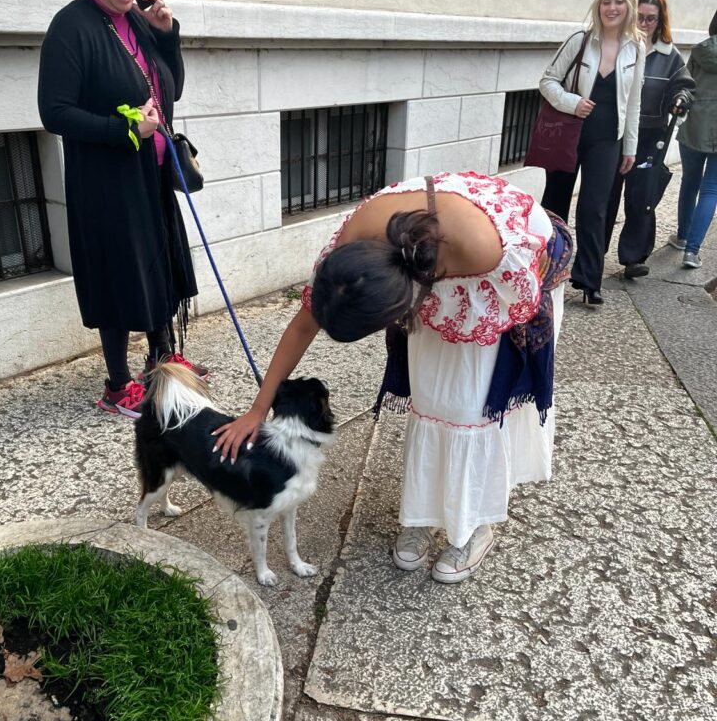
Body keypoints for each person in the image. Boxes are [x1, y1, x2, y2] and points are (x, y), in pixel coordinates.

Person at [213, 173, 572, 585]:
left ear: (401, 305)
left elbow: (517, 295)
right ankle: (425, 513)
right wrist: (257, 410)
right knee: (431, 400)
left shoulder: (479, 249)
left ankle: (472, 525)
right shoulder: (353, 247)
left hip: (508, 272)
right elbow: (302, 325)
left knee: (471, 407)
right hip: (442, 255)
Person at [38, 0, 202, 420]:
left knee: (158, 262)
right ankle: (116, 383)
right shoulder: (71, 28)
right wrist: (125, 130)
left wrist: (167, 34)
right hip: (106, 182)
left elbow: (171, 88)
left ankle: (161, 361)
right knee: (117, 271)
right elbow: (54, 112)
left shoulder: (137, 20)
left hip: (150, 175)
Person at [539, 0, 645, 305]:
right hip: (569, 133)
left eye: (619, 1)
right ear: (598, 4)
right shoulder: (580, 41)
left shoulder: (636, 48)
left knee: (595, 208)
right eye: (606, 1)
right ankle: (544, 268)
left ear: (629, 6)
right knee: (555, 202)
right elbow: (547, 81)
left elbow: (634, 102)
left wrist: (630, 147)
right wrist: (572, 102)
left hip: (607, 140)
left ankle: (588, 280)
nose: (611, 8)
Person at [605, 0, 694, 279]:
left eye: (650, 19)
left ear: (661, 20)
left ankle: (633, 259)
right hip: (616, 131)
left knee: (642, 195)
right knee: (606, 192)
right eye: (640, 17)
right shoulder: (622, 46)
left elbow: (684, 86)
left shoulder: (670, 55)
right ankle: (594, 252)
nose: (644, 23)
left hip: (650, 135)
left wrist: (680, 99)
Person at [669, 9, 717, 269]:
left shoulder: (700, 50)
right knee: (711, 189)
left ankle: (682, 236)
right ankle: (692, 251)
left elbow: (686, 85)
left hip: (695, 123)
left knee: (690, 181)